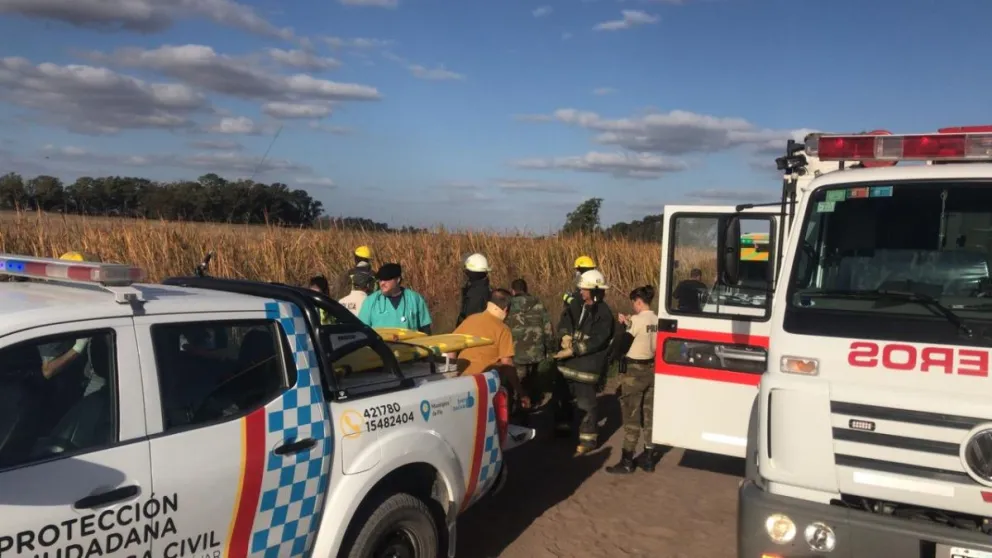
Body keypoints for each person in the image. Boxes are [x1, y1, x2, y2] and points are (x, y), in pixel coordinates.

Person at [552, 269, 616, 455]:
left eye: (584, 290)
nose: (581, 292)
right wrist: (564, 335)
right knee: (562, 395)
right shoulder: (577, 306)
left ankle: (588, 440)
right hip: (568, 365)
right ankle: (562, 426)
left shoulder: (604, 314)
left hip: (587, 366)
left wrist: (575, 349)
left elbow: (599, 340)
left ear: (595, 291)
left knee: (586, 403)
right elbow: (565, 320)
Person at [606, 285, 661, 475]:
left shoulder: (637, 320)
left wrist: (623, 325)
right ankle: (649, 459)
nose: (634, 308)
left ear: (639, 302)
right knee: (649, 416)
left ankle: (627, 461)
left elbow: (621, 347)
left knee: (631, 416)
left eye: (634, 304)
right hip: (652, 369)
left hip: (635, 372)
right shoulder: (658, 319)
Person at [453, 289, 531, 410]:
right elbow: (507, 364)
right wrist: (521, 392)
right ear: (506, 309)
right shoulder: (503, 329)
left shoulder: (470, 320)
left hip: (461, 383)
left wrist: (452, 377)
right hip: (484, 386)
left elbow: (450, 349)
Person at [506, 278, 554, 408]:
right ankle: (532, 404)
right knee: (531, 380)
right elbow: (548, 329)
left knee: (517, 381)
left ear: (513, 291)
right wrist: (549, 349)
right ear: (526, 290)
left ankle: (517, 407)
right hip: (536, 352)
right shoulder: (538, 304)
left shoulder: (508, 306)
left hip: (516, 352)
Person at [357, 263, 432, 334]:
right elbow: (362, 331)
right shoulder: (370, 301)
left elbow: (425, 329)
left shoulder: (415, 299)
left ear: (398, 279)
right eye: (380, 280)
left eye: (386, 279)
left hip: (411, 346)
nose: (382, 283)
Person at [456, 253, 492, 327]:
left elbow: (469, 321)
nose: (465, 274)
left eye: (467, 271)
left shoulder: (475, 294)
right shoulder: (485, 288)